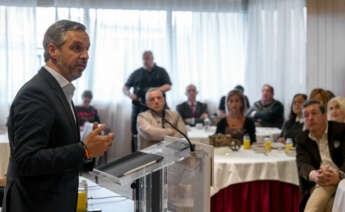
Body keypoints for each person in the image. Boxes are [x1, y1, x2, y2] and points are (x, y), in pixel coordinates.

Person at [2, 20, 114, 212]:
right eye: (77, 48)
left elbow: (59, 146)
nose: (85, 56)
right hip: (35, 204)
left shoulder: (60, 90)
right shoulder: (37, 93)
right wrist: (84, 150)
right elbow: (26, 160)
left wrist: (88, 150)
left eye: (87, 49)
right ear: (53, 50)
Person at [296, 100, 345, 212]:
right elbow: (303, 164)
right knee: (330, 205)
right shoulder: (302, 138)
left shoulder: (341, 130)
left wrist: (339, 175)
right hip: (319, 181)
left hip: (342, 179)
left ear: (324, 115)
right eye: (306, 115)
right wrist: (315, 175)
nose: (310, 118)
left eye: (314, 113)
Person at [123, 51, 172, 151]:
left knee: (160, 131)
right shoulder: (136, 73)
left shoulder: (161, 71)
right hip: (139, 107)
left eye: (148, 58)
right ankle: (136, 158)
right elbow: (125, 87)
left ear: (152, 58)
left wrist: (154, 92)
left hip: (158, 108)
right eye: (144, 58)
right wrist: (130, 95)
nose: (146, 61)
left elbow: (168, 86)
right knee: (136, 134)